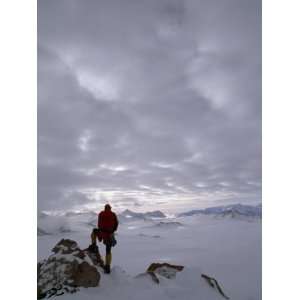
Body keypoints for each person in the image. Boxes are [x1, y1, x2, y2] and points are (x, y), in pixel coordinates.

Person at [88, 204, 118, 274]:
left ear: (105, 208)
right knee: (108, 250)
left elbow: (99, 224)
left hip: (101, 232)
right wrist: (112, 231)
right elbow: (116, 224)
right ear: (110, 208)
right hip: (109, 235)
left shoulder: (101, 214)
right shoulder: (113, 214)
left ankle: (93, 245)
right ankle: (107, 266)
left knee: (94, 232)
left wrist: (101, 229)